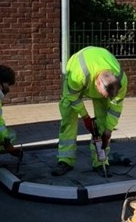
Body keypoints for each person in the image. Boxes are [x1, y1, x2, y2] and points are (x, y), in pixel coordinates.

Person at [52, 46, 128, 177]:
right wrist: (86, 117)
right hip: (78, 76)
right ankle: (65, 160)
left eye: (108, 97)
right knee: (68, 117)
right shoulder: (79, 73)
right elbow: (72, 98)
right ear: (97, 83)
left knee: (103, 122)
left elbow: (115, 109)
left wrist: (108, 130)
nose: (105, 98)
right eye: (103, 94)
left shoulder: (121, 80)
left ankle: (101, 161)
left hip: (97, 74)